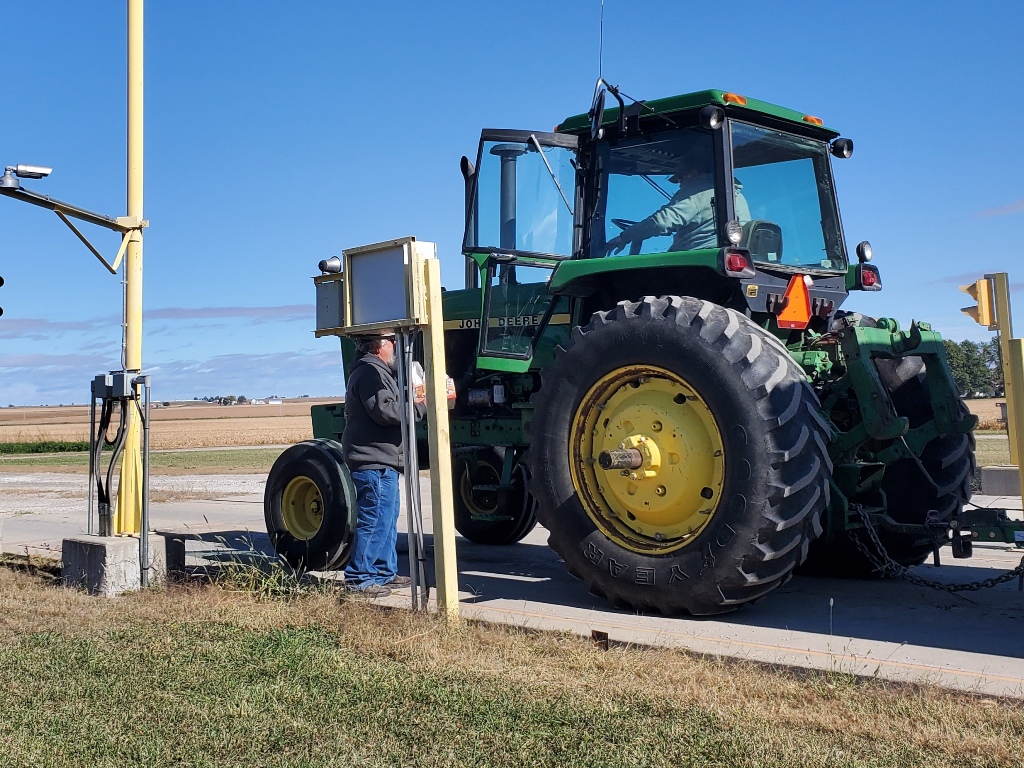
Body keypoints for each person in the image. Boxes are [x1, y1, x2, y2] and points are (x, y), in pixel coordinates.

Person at [341, 332, 425, 597]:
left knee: (386, 520)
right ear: (379, 346)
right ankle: (359, 579)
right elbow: (385, 411)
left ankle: (383, 572)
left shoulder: (378, 371)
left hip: (382, 459)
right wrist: (420, 406)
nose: (396, 346)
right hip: (373, 460)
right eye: (392, 341)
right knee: (375, 520)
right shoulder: (370, 373)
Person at [605, 151, 751, 255]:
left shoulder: (697, 190)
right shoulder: (736, 196)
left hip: (696, 262)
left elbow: (661, 222)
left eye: (681, 179)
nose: (680, 185)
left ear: (693, 173)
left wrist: (625, 236)